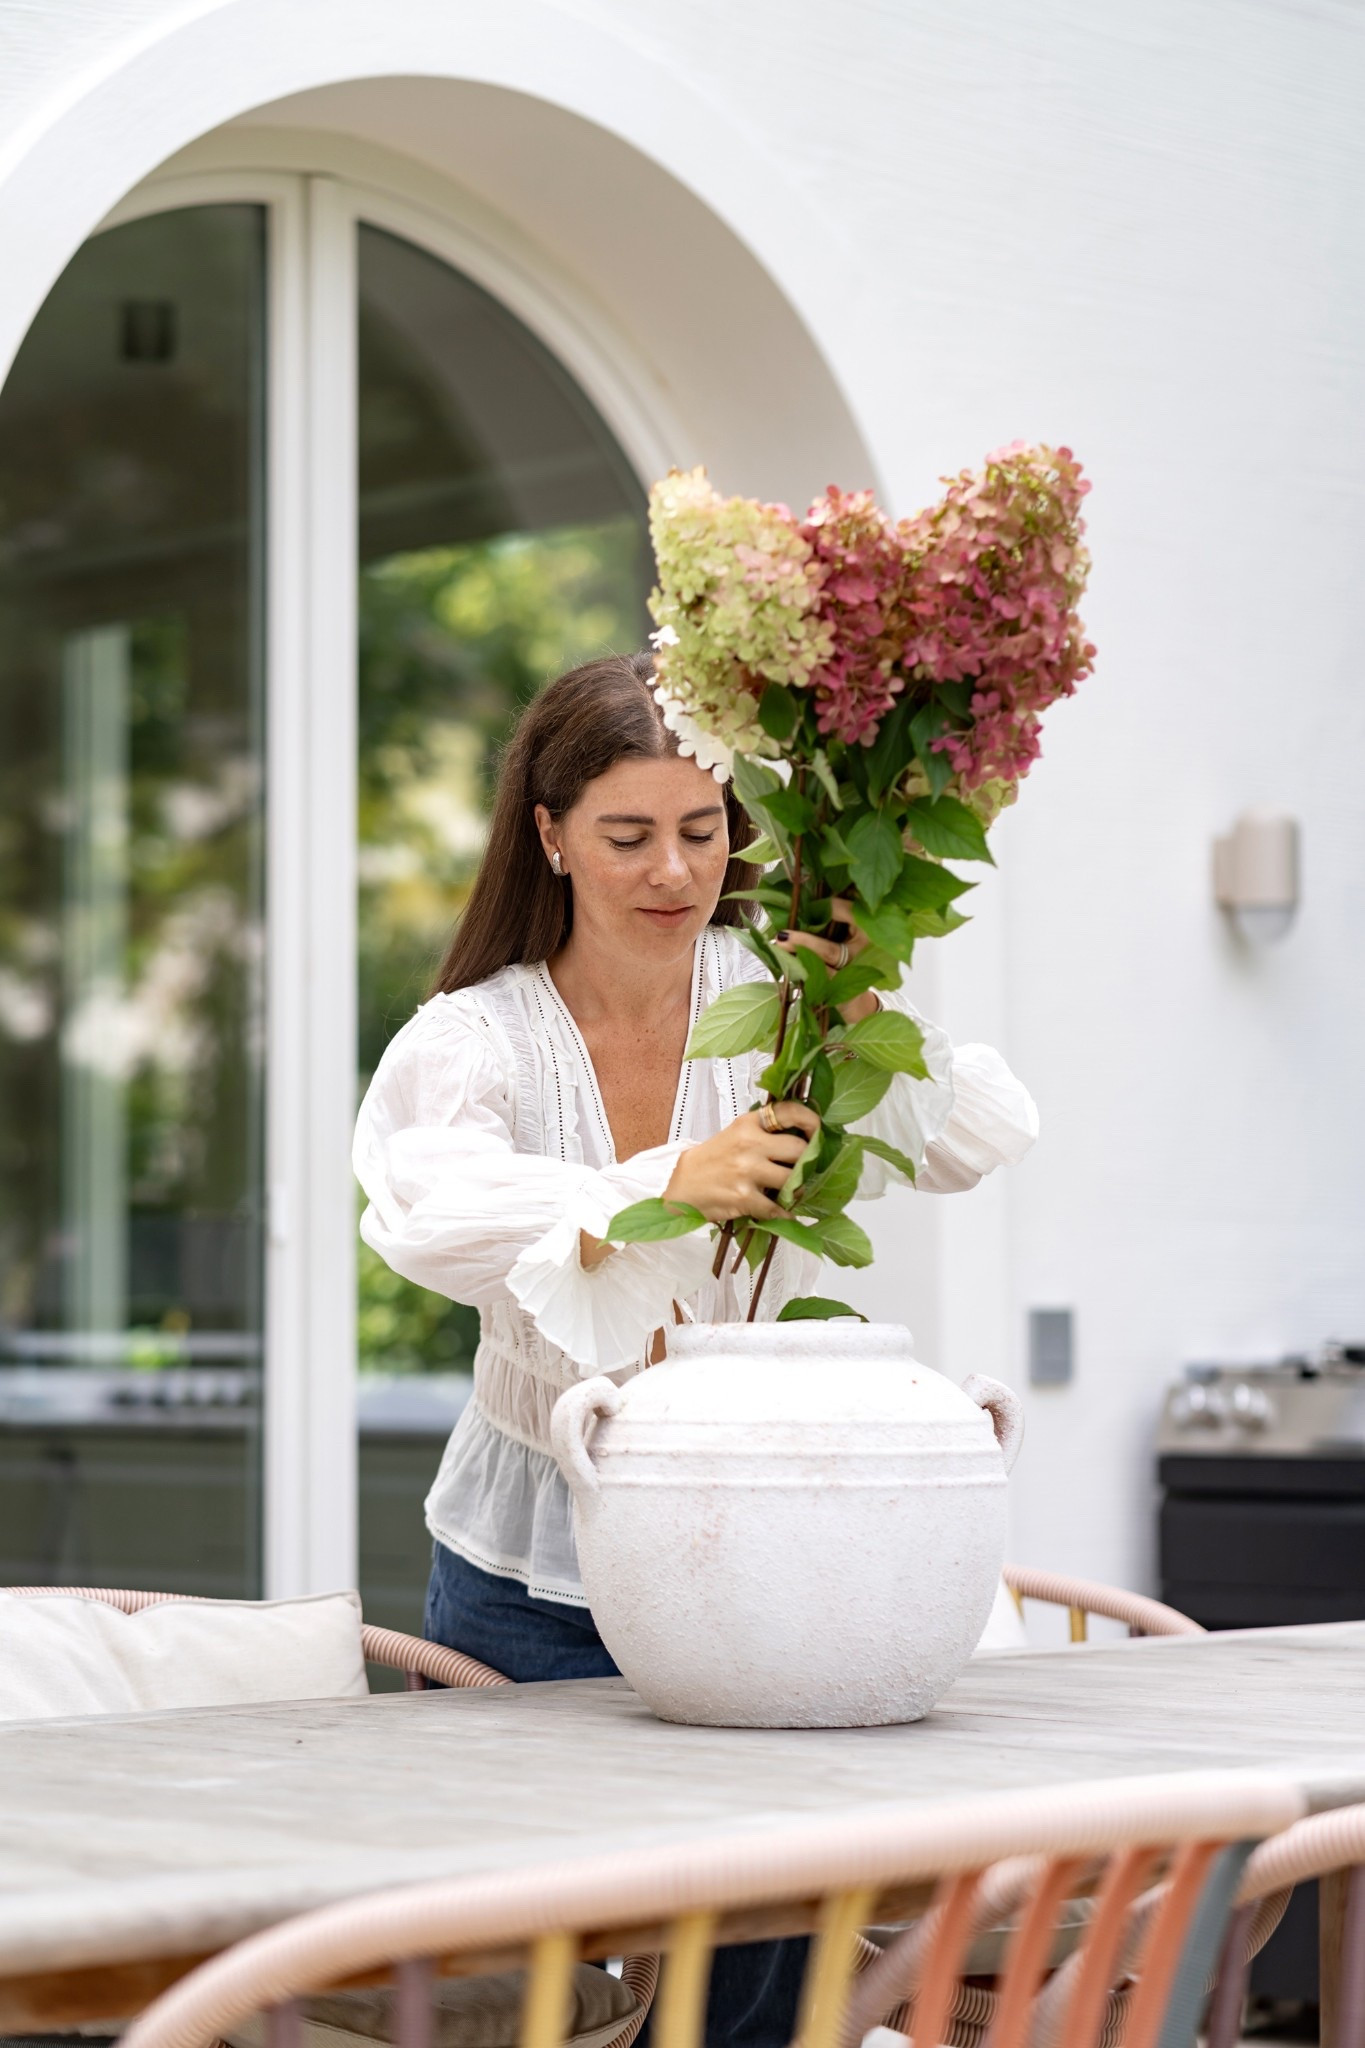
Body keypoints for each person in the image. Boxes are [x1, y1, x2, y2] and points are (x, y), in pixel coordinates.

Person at [353, 648, 1037, 2048]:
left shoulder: (780, 1002)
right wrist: (669, 1180)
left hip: (753, 1555)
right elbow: (426, 1216)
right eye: (626, 836)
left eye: (702, 830)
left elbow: (974, 1138)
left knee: (756, 1941)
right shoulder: (475, 1040)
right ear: (549, 836)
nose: (672, 871)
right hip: (530, 1564)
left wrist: (862, 1012)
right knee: (544, 1959)